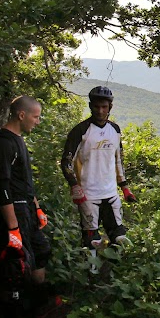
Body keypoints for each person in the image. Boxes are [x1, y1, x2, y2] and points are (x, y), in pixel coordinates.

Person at [0, 95, 60, 318]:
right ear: (22, 115)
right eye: (36, 116)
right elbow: (1, 188)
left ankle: (39, 306)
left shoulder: (17, 141)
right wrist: (13, 229)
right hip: (14, 214)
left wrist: (37, 208)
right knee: (16, 265)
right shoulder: (2, 144)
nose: (38, 121)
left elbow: (23, 182)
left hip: (26, 209)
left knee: (40, 251)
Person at [61, 86, 136, 253]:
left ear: (110, 107)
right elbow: (66, 162)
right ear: (90, 106)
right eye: (96, 106)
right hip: (88, 195)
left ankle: (114, 276)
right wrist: (74, 186)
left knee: (119, 237)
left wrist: (124, 187)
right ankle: (91, 276)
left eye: (104, 107)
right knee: (91, 241)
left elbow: (118, 160)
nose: (100, 111)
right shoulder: (80, 131)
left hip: (111, 194)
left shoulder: (115, 130)